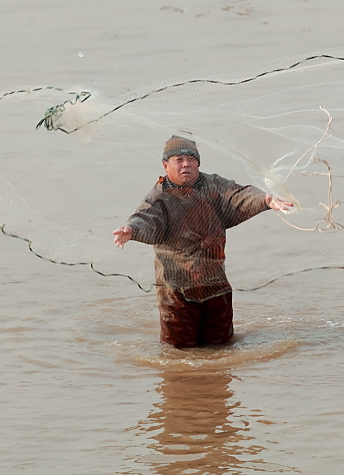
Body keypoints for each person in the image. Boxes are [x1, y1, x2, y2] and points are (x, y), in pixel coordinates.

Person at [113, 135, 292, 349]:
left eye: (191, 159)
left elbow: (240, 195)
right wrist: (131, 230)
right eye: (178, 160)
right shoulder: (160, 197)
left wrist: (266, 200)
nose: (186, 164)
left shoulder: (214, 186)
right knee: (178, 351)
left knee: (223, 346)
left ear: (198, 162)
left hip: (216, 283)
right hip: (177, 288)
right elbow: (146, 218)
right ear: (165, 165)